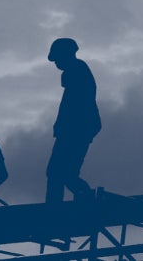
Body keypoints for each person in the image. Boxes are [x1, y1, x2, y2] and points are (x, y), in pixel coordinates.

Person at [45, 38, 100, 202]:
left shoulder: (75, 71)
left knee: (57, 172)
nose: (56, 64)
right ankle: (84, 198)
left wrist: (62, 127)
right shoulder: (77, 70)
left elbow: (73, 105)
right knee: (64, 173)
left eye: (57, 59)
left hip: (76, 129)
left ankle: (55, 209)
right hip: (77, 128)